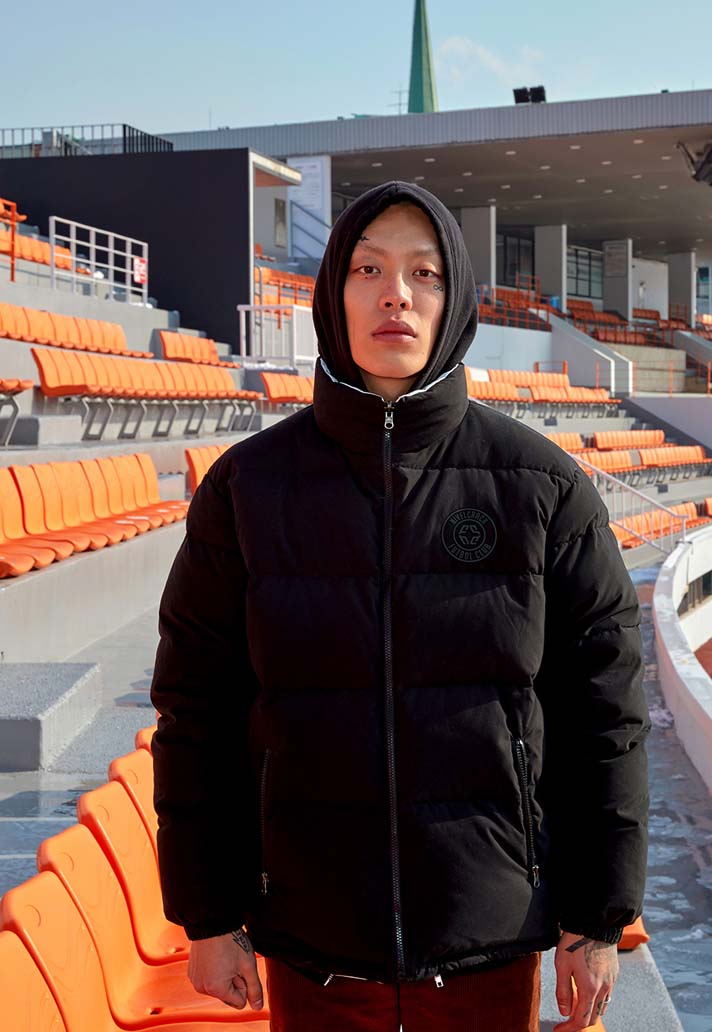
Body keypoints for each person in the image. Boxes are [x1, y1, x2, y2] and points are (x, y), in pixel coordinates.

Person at [150, 181, 650, 1032]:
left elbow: (604, 713)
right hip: (314, 940)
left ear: (454, 300)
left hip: (488, 939)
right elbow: (195, 712)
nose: (396, 295)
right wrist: (207, 914)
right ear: (332, 296)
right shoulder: (247, 489)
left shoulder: (542, 487)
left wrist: (596, 917)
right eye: (369, 270)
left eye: (425, 273)